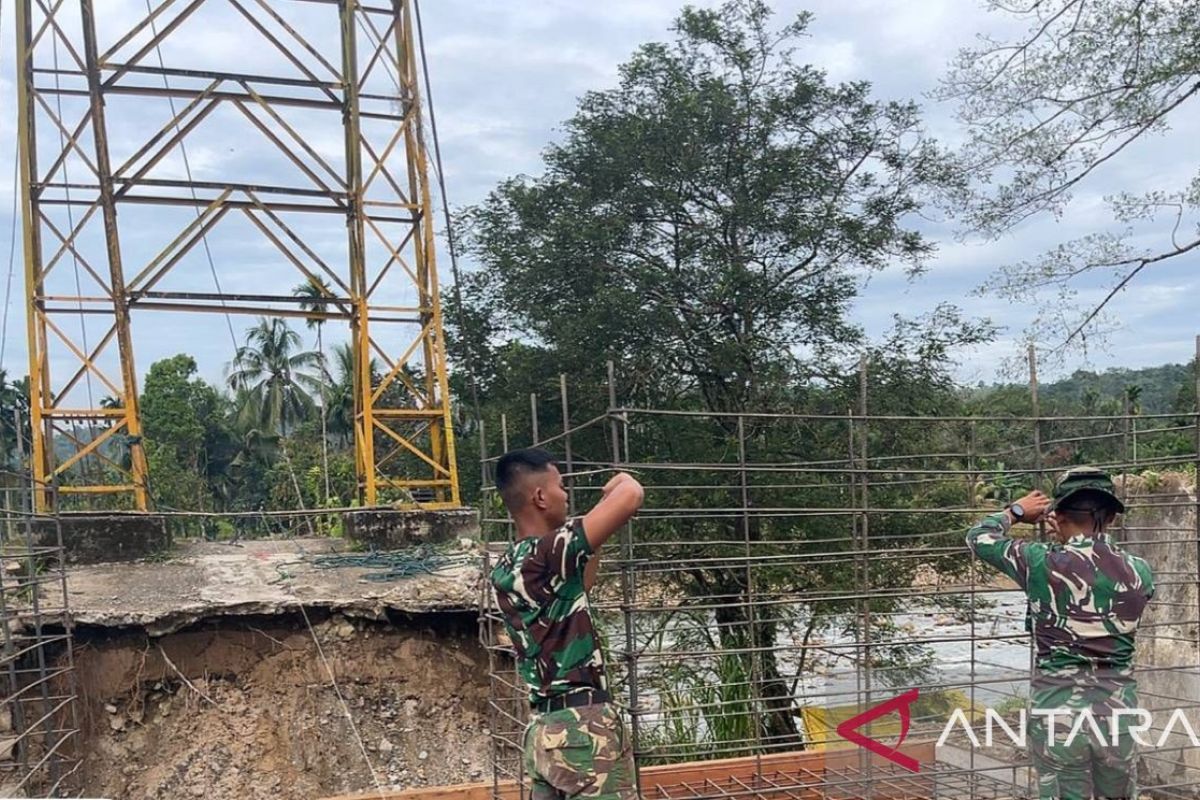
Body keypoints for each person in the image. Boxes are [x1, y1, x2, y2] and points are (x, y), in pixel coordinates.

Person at [966, 466, 1155, 800]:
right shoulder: (1139, 569)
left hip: (1058, 713)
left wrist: (1017, 511)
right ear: (1112, 518)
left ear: (1058, 514)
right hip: (1117, 713)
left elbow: (979, 537)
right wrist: (1071, 538)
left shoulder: (1040, 562)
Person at [489, 448, 644, 800]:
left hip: (545, 733)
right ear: (540, 497)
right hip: (583, 732)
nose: (566, 494)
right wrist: (618, 484)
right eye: (561, 486)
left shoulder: (508, 565)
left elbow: (582, 582)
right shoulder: (550, 551)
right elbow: (631, 495)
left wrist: (592, 536)